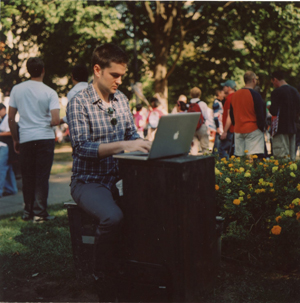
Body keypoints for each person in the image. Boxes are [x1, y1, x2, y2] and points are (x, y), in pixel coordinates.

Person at [66, 43, 152, 301]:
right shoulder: (78, 102)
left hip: (120, 179)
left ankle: (133, 267)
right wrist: (126, 145)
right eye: (115, 75)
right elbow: (82, 148)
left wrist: (146, 143)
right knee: (112, 217)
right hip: (88, 181)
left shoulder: (122, 100)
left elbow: (131, 135)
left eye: (122, 75)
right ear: (97, 69)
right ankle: (102, 275)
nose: (119, 80)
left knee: (154, 209)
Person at [8, 57, 60, 223]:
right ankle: (39, 213)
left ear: (28, 70)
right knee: (42, 176)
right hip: (44, 137)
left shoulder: (17, 89)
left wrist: (16, 139)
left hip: (26, 138)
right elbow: (55, 120)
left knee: (27, 175)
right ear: (43, 70)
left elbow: (10, 118)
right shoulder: (50, 92)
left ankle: (27, 211)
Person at [229, 71, 265, 158]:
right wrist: (261, 128)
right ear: (253, 80)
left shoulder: (234, 95)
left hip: (238, 129)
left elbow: (231, 114)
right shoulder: (255, 95)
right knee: (254, 158)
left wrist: (236, 125)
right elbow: (260, 114)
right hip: (253, 129)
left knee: (240, 158)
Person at [269, 70, 300, 161]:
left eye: (272, 82)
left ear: (275, 79)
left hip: (280, 128)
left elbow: (274, 111)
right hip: (292, 128)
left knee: (281, 157)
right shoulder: (294, 91)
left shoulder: (276, 92)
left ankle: (282, 175)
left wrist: (270, 107)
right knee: (291, 157)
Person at [0, 103, 18, 198]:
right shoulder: (2, 119)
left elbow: (11, 132)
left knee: (1, 168)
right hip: (3, 146)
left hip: (5, 146)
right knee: (7, 169)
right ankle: (12, 188)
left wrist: (1, 134)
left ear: (3, 109)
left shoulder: (8, 119)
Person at [189, 87, 209, 155]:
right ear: (199, 94)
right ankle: (206, 163)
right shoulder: (203, 104)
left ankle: (193, 163)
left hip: (192, 128)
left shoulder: (188, 105)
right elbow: (206, 117)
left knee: (193, 148)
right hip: (201, 127)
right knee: (205, 147)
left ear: (191, 94)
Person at [220, 79, 236, 159]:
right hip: (234, 130)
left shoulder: (230, 98)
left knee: (222, 150)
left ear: (229, 88)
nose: (223, 88)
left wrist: (225, 131)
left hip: (230, 130)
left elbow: (230, 115)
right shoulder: (235, 97)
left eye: (225, 86)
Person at [212, 89, 224, 156]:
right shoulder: (216, 103)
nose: (223, 95)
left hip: (220, 127)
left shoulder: (219, 102)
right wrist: (218, 127)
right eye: (222, 94)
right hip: (219, 127)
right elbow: (215, 116)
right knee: (217, 145)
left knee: (218, 145)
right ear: (219, 94)